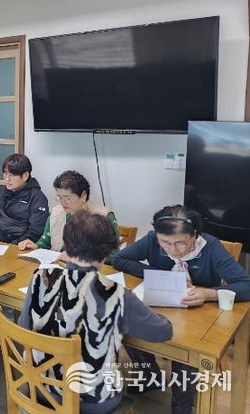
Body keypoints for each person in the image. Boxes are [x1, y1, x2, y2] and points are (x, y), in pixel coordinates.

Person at [18, 211, 173, 414]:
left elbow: (24, 326)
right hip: (92, 401)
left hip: (39, 386)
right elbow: (163, 331)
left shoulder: (40, 278)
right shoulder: (117, 294)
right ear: (107, 251)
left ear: (67, 244)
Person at [112, 204, 250, 414]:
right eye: (165, 243)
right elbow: (119, 259)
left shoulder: (210, 248)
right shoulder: (152, 239)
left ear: (195, 236)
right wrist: (161, 276)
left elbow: (246, 285)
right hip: (159, 304)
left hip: (198, 314)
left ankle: (182, 406)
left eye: (180, 243)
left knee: (186, 353)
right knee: (128, 322)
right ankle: (150, 377)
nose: (172, 250)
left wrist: (208, 293)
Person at [18, 170, 120, 263]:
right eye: (59, 197)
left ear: (83, 196)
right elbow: (45, 242)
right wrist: (35, 246)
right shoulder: (57, 213)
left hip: (90, 271)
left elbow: (113, 255)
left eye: (67, 198)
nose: (63, 202)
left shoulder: (103, 216)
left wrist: (78, 258)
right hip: (58, 267)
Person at [0, 153, 49, 244]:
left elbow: (36, 231)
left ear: (25, 176)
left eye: (12, 175)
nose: (7, 179)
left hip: (19, 246)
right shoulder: (1, 191)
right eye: (5, 173)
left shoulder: (37, 198)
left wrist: (12, 246)